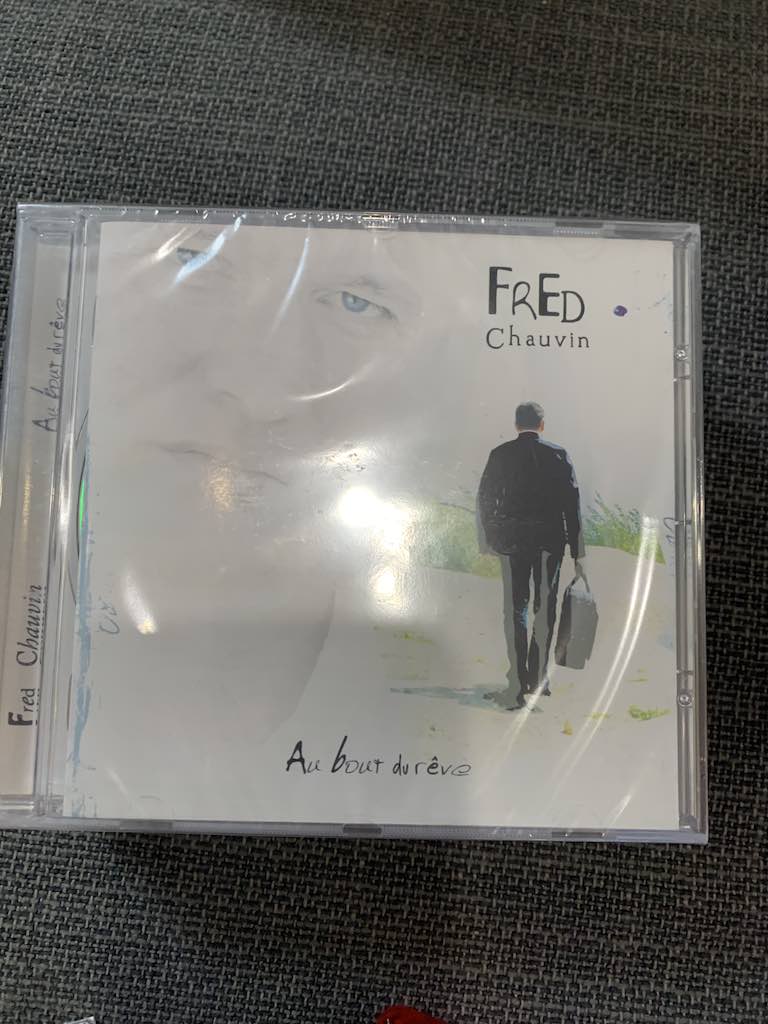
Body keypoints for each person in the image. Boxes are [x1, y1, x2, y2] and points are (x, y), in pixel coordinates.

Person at [478, 401, 585, 709]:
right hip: (551, 543)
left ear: (516, 424)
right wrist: (578, 552)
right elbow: (572, 504)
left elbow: (486, 499)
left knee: (515, 610)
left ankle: (515, 684)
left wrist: (491, 538)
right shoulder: (558, 455)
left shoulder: (500, 454)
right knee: (545, 608)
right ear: (542, 425)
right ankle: (537, 679)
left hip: (512, 543)